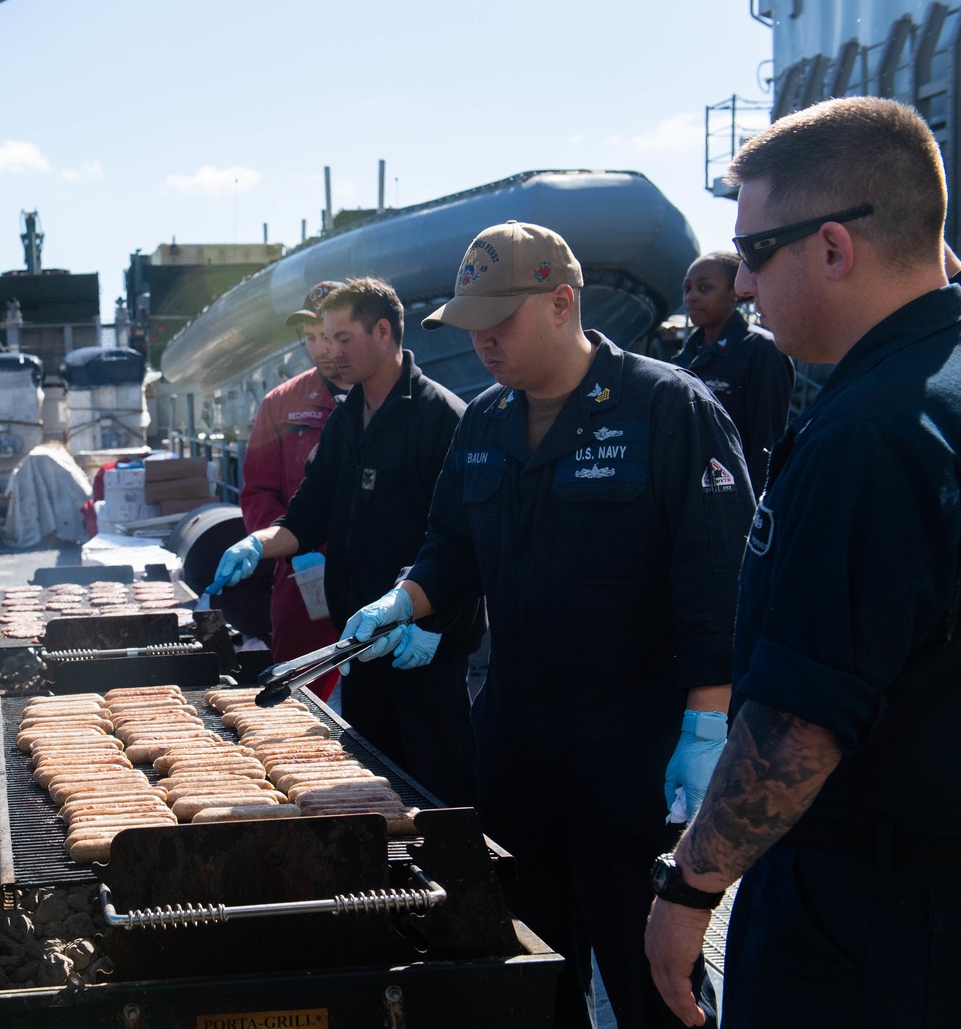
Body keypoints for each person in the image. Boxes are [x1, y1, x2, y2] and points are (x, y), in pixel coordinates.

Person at [338, 222, 756, 1027]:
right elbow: (451, 550)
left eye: (501, 320)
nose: (483, 341)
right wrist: (407, 598)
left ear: (563, 303)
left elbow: (720, 586)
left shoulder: (669, 410)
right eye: (472, 324)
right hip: (518, 754)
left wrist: (710, 725)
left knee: (653, 985)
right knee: (531, 978)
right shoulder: (485, 424)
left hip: (634, 765)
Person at [644, 96, 961, 1029]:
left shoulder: (872, 433)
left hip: (874, 923)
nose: (743, 286)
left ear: (833, 247)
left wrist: (689, 888)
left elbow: (798, 733)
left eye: (753, 253)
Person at [212, 277, 480, 807]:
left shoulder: (442, 419)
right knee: (371, 791)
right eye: (323, 340)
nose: (330, 353)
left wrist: (432, 628)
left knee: (438, 792)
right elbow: (309, 514)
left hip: (420, 651)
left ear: (384, 331)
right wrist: (259, 545)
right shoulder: (346, 422)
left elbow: (467, 545)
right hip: (359, 639)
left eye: (342, 338)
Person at [239, 280, 350, 700]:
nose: (320, 347)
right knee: (300, 704)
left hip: (378, 582)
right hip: (304, 587)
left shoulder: (384, 399)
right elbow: (257, 492)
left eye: (329, 335)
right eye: (310, 338)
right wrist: (293, 548)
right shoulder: (280, 404)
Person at [674, 251, 795, 496]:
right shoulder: (684, 358)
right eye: (687, 288)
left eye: (705, 288)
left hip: (736, 496)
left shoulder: (760, 351)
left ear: (734, 292)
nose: (692, 297)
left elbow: (767, 439)